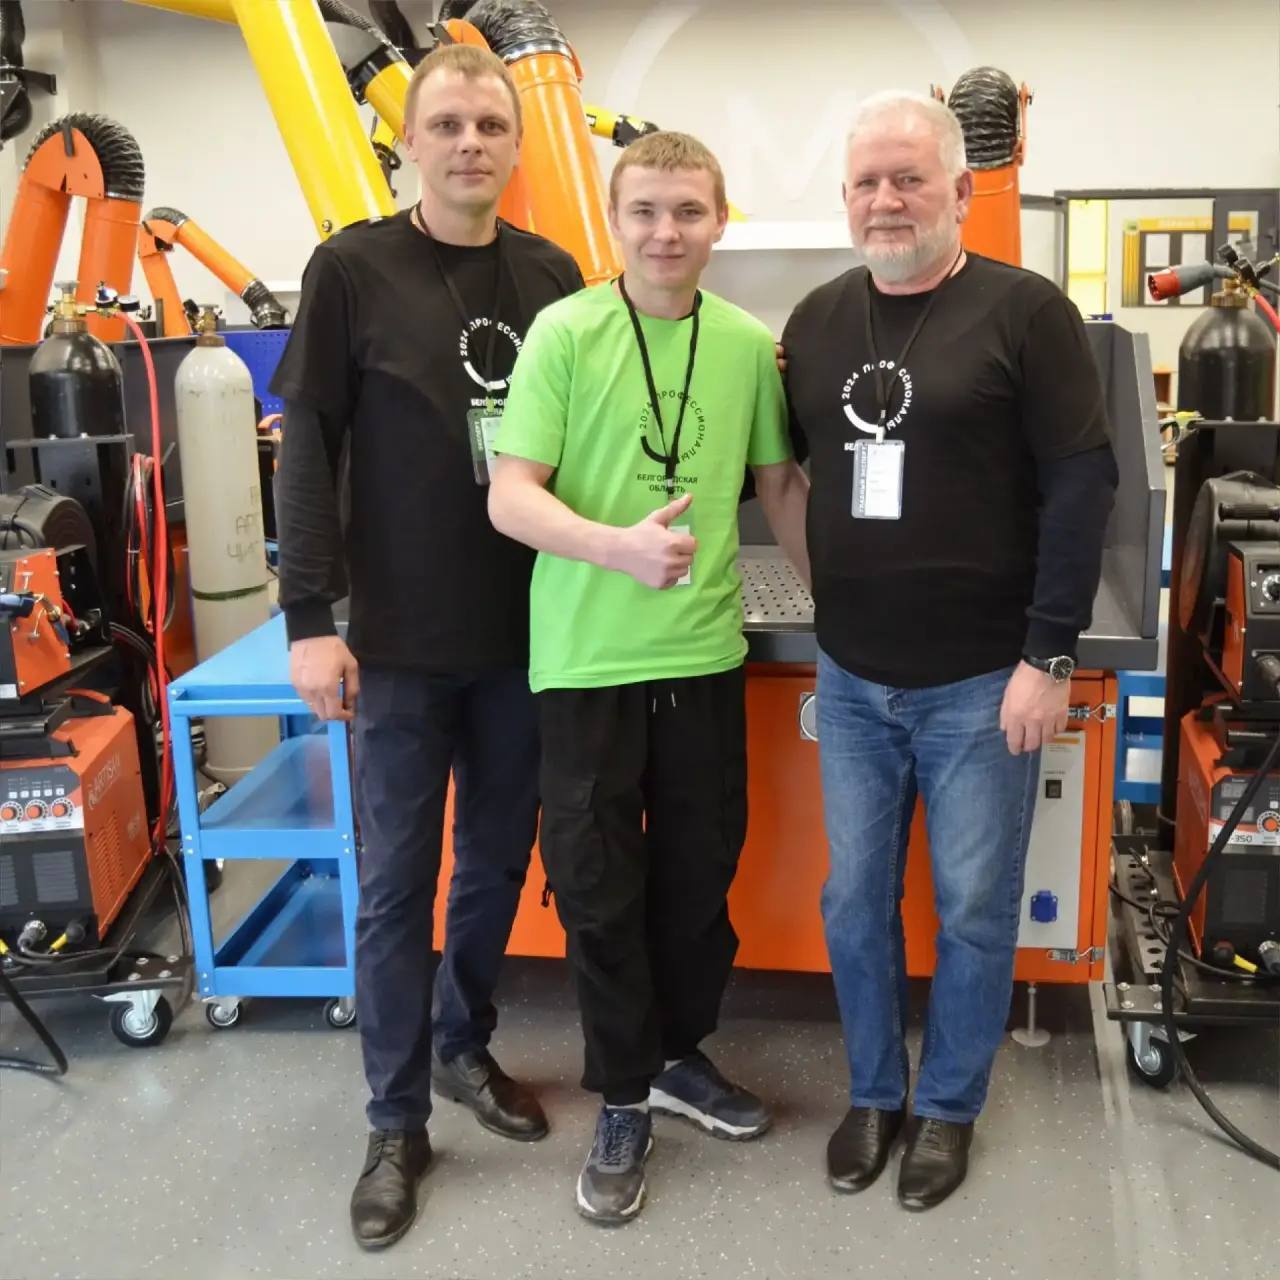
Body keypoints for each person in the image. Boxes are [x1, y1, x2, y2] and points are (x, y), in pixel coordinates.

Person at [270, 43, 583, 1251]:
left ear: (514, 145)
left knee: (495, 863)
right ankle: (394, 1121)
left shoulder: (549, 272)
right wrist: (310, 620)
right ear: (408, 143)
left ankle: (462, 1041)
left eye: (489, 126)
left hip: (524, 636)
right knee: (398, 882)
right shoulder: (351, 268)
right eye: (445, 124)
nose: (468, 144)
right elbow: (306, 447)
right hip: (395, 643)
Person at [780, 92, 1117, 1211]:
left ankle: (948, 1105)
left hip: (984, 680)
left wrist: (1048, 655)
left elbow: (1082, 482)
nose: (886, 200)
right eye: (866, 182)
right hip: (851, 676)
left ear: (960, 191)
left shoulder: (1026, 313)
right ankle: (876, 1093)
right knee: (853, 901)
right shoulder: (817, 321)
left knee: (972, 904)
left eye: (908, 179)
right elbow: (790, 470)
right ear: (846, 198)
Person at [487, 130, 810, 1225]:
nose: (665, 232)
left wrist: (846, 609)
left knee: (696, 877)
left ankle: (675, 1056)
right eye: (644, 211)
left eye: (687, 211)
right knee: (596, 886)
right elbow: (510, 495)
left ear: (719, 221)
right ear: (614, 221)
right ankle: (622, 1094)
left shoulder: (745, 345)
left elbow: (780, 486)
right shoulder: (565, 333)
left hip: (702, 657)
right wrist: (615, 547)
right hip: (585, 663)